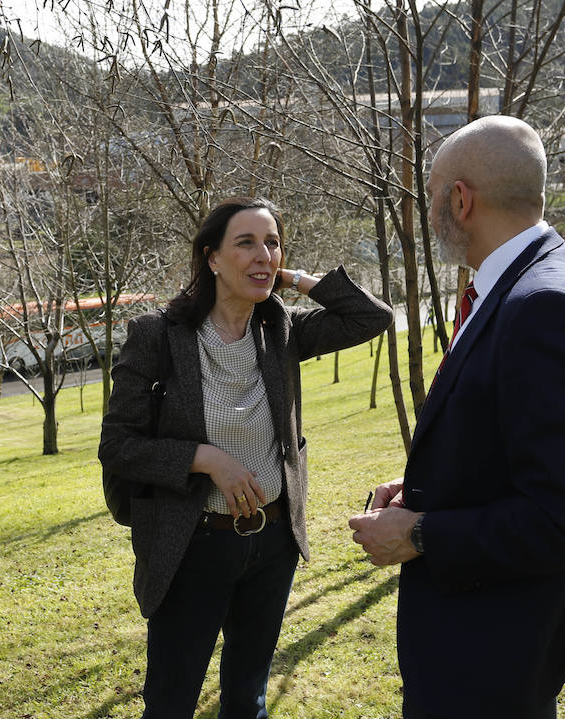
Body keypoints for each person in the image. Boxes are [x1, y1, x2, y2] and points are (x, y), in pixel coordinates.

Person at [348, 115, 565, 718]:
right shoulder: (549, 278)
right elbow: (512, 441)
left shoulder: (545, 305)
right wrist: (433, 487)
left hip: (493, 646)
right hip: (499, 636)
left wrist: (420, 533)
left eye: (429, 197)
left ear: (460, 198)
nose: (427, 213)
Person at [99, 197, 393, 718]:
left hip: (272, 541)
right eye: (246, 243)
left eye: (273, 243)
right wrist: (205, 458)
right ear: (211, 258)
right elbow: (118, 446)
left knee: (247, 699)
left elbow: (371, 317)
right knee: (171, 700)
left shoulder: (280, 329)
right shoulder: (157, 336)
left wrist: (294, 278)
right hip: (191, 544)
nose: (264, 255)